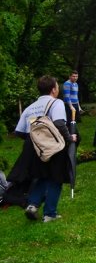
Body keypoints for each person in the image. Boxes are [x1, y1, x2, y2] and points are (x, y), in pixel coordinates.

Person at [13, 76, 75, 222]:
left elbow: (20, 131)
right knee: (55, 178)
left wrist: (36, 140)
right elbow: (59, 123)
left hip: (33, 147)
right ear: (54, 89)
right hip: (52, 147)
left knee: (41, 176)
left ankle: (32, 205)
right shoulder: (56, 103)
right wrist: (69, 138)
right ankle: (49, 214)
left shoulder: (30, 107)